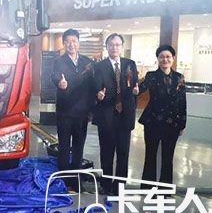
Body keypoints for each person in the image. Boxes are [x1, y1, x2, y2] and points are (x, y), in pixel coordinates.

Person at [93, 33, 139, 195]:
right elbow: (95, 87)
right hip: (106, 114)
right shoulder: (99, 66)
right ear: (107, 47)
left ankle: (120, 185)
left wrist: (136, 91)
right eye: (111, 45)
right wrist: (98, 95)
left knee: (123, 152)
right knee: (106, 152)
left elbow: (134, 85)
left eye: (117, 44)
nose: (114, 47)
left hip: (125, 115)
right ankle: (106, 184)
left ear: (122, 47)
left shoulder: (130, 64)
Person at [50, 29, 95, 188]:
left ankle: (76, 179)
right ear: (64, 43)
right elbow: (54, 76)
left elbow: (93, 84)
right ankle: (63, 179)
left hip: (82, 112)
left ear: (78, 42)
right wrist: (60, 83)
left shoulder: (87, 62)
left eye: (74, 41)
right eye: (68, 41)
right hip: (65, 111)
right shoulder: (58, 61)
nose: (71, 44)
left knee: (78, 147)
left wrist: (91, 109)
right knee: (64, 146)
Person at [138, 45, 187, 187]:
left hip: (172, 123)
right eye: (161, 57)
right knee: (150, 155)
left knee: (168, 157)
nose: (165, 59)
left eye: (168, 57)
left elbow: (182, 101)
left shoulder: (179, 77)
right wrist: (134, 88)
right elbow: (140, 89)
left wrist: (182, 124)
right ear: (158, 59)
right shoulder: (151, 76)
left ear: (173, 58)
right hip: (153, 121)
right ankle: (147, 187)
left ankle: (165, 189)